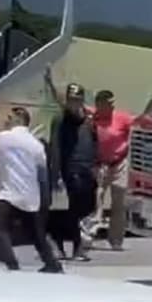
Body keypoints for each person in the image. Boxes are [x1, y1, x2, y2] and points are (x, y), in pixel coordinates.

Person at [0, 107, 63, 273]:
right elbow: (42, 167)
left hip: (10, 193)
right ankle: (52, 263)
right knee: (35, 234)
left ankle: (12, 264)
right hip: (30, 195)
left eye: (9, 117)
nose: (6, 120)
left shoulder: (4, 138)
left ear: (19, 120)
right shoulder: (36, 145)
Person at [44, 68, 98, 261]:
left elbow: (95, 143)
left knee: (85, 209)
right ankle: (67, 245)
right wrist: (56, 173)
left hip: (87, 170)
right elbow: (56, 146)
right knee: (73, 210)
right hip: (71, 169)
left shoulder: (89, 120)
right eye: (71, 99)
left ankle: (75, 245)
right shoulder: (63, 118)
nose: (74, 102)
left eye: (77, 98)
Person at [91, 89, 132, 251]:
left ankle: (116, 241)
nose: (112, 106)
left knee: (119, 203)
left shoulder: (122, 118)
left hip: (119, 163)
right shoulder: (92, 115)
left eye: (113, 102)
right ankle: (90, 233)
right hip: (99, 164)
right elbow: (67, 105)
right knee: (96, 199)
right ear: (99, 104)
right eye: (109, 103)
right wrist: (52, 86)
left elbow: (141, 121)